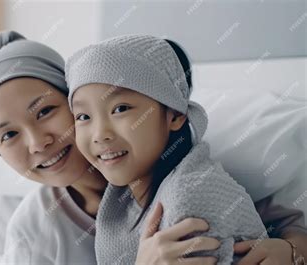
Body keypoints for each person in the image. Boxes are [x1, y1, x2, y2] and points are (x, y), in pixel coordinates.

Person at [65, 34, 307, 264]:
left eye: (121, 109)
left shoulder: (189, 201)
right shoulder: (124, 196)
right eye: (83, 116)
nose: (100, 134)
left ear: (176, 115)